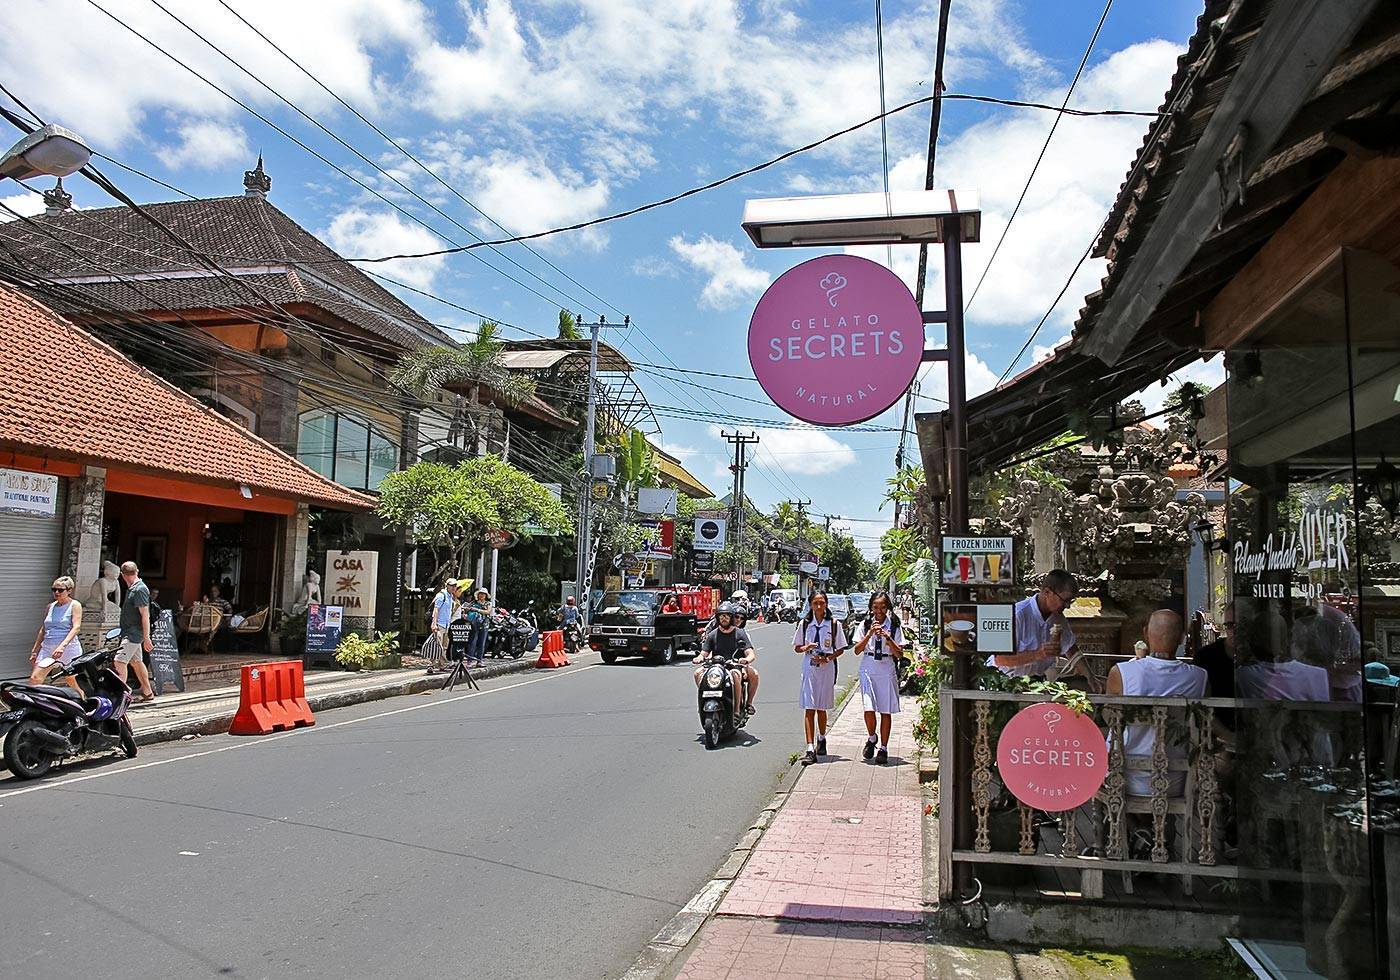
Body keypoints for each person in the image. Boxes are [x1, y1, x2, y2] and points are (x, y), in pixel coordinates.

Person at [1106, 609, 1208, 797]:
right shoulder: (1200, 677)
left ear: (1145, 633)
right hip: (1176, 780)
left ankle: (1135, 822)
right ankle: (1157, 824)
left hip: (1124, 777)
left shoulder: (1121, 673)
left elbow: (1108, 719)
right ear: (1181, 638)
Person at [990, 570, 1079, 678]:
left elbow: (1070, 647)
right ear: (1047, 592)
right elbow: (1000, 659)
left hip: (1036, 681)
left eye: (1071, 601)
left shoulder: (1058, 618)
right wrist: (1038, 654)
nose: (1068, 606)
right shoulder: (1017, 615)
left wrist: (1090, 677)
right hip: (1004, 680)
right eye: (1065, 600)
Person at [852, 590, 904, 765]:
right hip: (868, 666)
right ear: (871, 608)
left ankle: (883, 747)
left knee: (885, 709)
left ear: (887, 607)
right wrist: (869, 635)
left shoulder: (894, 625)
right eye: (876, 607)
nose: (879, 611)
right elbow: (857, 650)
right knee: (868, 707)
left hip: (886, 667)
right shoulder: (865, 624)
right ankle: (872, 736)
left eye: (883, 607)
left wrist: (888, 638)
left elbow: (899, 653)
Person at [794, 591, 846, 765]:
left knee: (821, 707)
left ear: (826, 604)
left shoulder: (833, 624)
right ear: (810, 604)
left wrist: (827, 658)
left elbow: (840, 648)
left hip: (826, 668)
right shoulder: (805, 624)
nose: (818, 607)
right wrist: (805, 647)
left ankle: (821, 737)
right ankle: (810, 748)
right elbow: (797, 648)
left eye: (821, 603)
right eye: (815, 603)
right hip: (809, 666)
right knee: (809, 706)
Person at [695, 602, 759, 716]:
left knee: (736, 675)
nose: (724, 619)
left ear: (731, 618)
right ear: (718, 618)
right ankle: (703, 701)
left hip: (733, 666)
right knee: (698, 673)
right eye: (721, 616)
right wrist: (699, 658)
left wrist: (746, 660)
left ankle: (737, 710)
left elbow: (750, 654)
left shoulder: (740, 633)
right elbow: (704, 653)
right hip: (716, 666)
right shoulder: (713, 634)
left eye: (727, 616)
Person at [28, 576, 84, 692]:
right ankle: (34, 707)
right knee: (35, 679)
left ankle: (84, 701)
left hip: (68, 648)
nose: (57, 592)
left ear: (69, 590)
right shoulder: (50, 606)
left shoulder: (75, 605)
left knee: (71, 679)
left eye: (60, 590)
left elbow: (76, 627)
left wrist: (62, 646)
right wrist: (35, 651)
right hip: (48, 648)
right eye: (54, 590)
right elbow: (43, 629)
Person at [115, 561, 156, 702]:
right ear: (137, 571)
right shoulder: (133, 588)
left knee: (119, 661)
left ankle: (121, 696)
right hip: (130, 632)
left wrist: (146, 637)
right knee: (137, 662)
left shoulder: (139, 589)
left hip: (133, 634)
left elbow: (145, 615)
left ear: (122, 575)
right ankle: (147, 691)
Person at [425, 578, 458, 674]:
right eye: (451, 585)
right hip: (440, 624)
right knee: (436, 645)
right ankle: (431, 664)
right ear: (446, 585)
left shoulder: (451, 597)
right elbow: (436, 610)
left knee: (444, 646)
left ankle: (442, 665)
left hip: (447, 625)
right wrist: (434, 623)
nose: (453, 587)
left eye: (455, 585)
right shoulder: (441, 595)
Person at [465, 586, 493, 666]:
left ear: (486, 596)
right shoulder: (474, 603)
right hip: (474, 624)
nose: (481, 596)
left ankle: (479, 660)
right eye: (480, 594)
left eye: (483, 594)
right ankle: (469, 661)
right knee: (472, 642)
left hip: (484, 624)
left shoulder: (488, 603)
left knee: (482, 643)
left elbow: (488, 612)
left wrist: (477, 610)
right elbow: (467, 609)